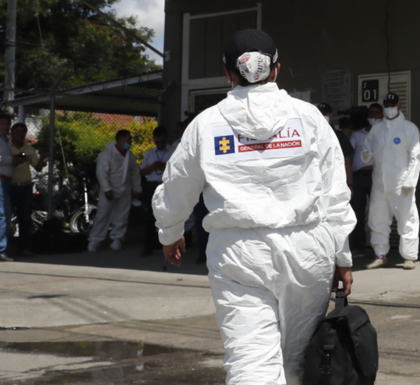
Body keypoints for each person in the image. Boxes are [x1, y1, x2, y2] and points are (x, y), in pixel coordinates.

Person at [153, 29, 354, 385]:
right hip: (308, 251)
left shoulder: (206, 125)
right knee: (299, 360)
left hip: (238, 255)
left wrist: (170, 232)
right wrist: (342, 257)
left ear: (228, 73)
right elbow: (334, 194)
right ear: (277, 69)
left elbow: (176, 187)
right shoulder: (309, 120)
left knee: (251, 361)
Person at [364, 93, 420, 270]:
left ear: (399, 106)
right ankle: (380, 255)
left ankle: (409, 257)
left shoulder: (408, 128)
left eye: (392, 105)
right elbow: (367, 147)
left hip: (401, 183)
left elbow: (416, 156)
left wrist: (410, 181)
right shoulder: (377, 129)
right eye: (386, 105)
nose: (389, 108)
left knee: (407, 219)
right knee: (378, 219)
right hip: (380, 183)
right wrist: (366, 154)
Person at [88, 129, 141, 252]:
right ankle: (95, 239)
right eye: (129, 139)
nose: (130, 141)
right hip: (110, 190)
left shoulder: (130, 156)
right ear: (120, 139)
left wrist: (137, 188)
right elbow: (101, 173)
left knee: (122, 215)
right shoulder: (106, 154)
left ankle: (117, 238)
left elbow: (135, 173)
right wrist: (107, 189)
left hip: (125, 190)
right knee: (103, 215)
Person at [9, 121, 44, 257]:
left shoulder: (29, 149)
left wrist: (41, 159)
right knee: (5, 217)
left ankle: (23, 248)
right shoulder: (6, 147)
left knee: (25, 218)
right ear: (12, 133)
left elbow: (38, 167)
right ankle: (4, 248)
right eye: (18, 131)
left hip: (25, 187)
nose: (21, 134)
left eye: (23, 132)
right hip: (10, 186)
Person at [139, 127, 171, 257]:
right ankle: (148, 246)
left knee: (168, 216)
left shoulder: (173, 152)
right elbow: (142, 172)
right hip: (152, 185)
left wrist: (165, 166)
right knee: (151, 216)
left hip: (167, 185)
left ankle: (169, 245)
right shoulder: (150, 153)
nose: (160, 145)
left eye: (162, 142)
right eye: (157, 142)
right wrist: (152, 167)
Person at [348, 108, 375, 253]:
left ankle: (379, 247)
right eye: (371, 114)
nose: (373, 117)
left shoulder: (384, 132)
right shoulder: (357, 134)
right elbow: (348, 153)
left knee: (378, 212)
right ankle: (358, 247)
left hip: (376, 176)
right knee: (357, 213)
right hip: (358, 177)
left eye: (377, 114)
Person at [318, 102, 354, 191]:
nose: (322, 116)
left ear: (331, 116)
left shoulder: (339, 135)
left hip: (336, 182)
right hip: (317, 183)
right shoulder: (309, 135)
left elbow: (347, 162)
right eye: (319, 113)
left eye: (324, 114)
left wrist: (350, 185)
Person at [0, 112, 12, 262]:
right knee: (3, 214)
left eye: (8, 124)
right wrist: (11, 160)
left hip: (7, 181)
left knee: (5, 214)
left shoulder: (5, 140)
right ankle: (1, 249)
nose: (6, 126)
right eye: (3, 123)